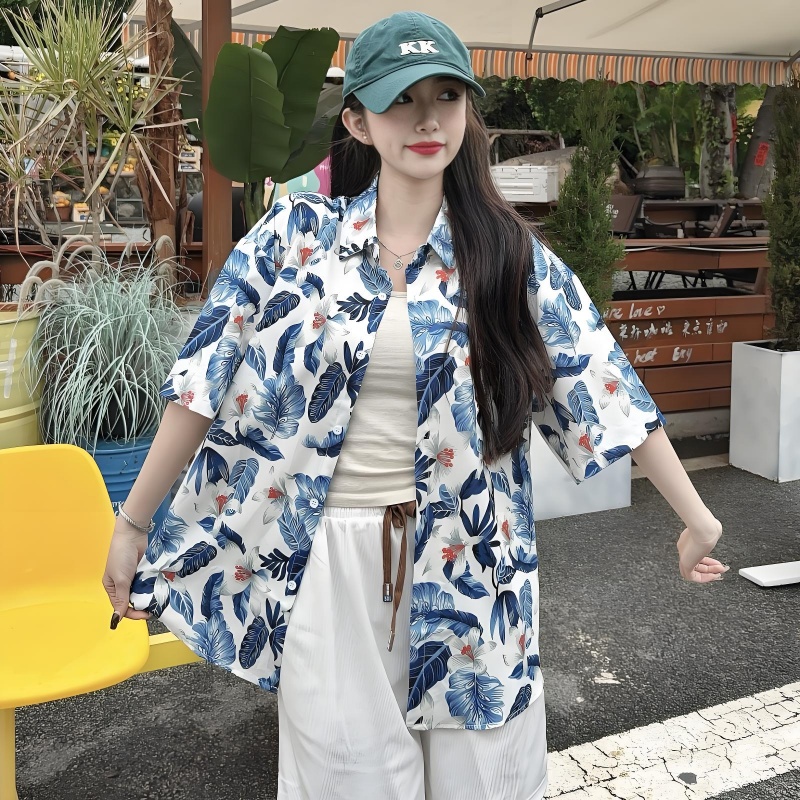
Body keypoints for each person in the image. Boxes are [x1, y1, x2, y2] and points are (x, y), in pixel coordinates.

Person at [102, 11, 726, 799]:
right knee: (346, 780)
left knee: (484, 778)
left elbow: (604, 383)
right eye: (401, 99)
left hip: (472, 556)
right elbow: (200, 383)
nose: (427, 119)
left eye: (446, 96)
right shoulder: (295, 238)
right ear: (357, 121)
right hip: (327, 558)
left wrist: (696, 517)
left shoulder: (506, 254)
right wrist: (133, 523)